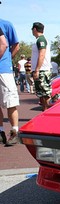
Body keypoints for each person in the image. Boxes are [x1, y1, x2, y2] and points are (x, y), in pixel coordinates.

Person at [0, 18, 20, 146]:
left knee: (10, 102)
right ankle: (1, 132)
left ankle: (15, 131)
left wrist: (7, 60)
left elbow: (15, 46)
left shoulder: (7, 24)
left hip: (4, 71)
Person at [31, 22, 52, 111]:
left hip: (42, 70)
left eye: (32, 29)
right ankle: (45, 111)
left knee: (45, 93)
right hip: (41, 70)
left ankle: (48, 113)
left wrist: (37, 70)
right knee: (41, 94)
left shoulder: (41, 40)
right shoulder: (39, 40)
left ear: (35, 29)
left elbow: (42, 54)